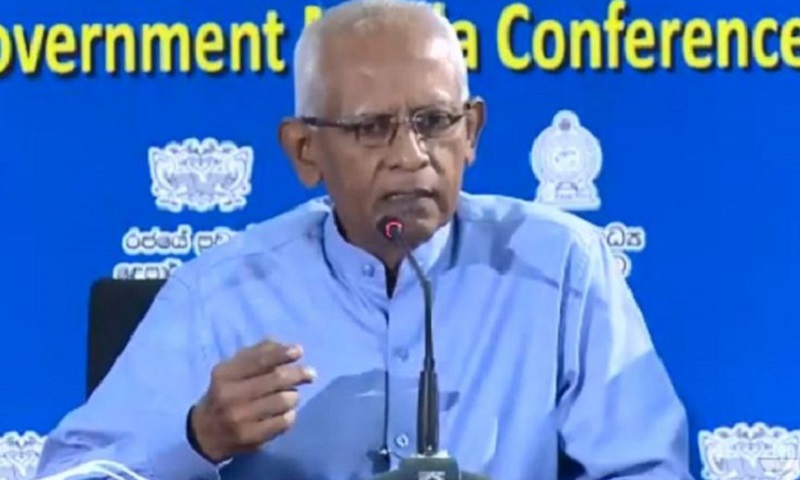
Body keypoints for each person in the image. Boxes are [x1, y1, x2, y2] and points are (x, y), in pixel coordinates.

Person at [35, 0, 692, 479]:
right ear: (304, 150)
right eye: (372, 129)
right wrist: (196, 437)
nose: (411, 156)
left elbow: (647, 469)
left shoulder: (561, 268)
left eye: (434, 121)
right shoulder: (221, 294)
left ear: (472, 132)